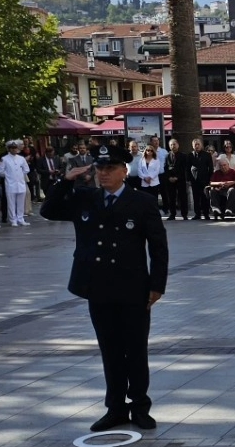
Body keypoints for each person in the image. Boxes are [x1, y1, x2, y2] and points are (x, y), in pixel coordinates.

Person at [40, 147, 168, 432]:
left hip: (133, 287)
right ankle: (115, 408)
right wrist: (66, 180)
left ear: (125, 171)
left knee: (135, 349)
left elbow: (159, 247)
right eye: (100, 169)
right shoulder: (85, 198)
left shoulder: (142, 202)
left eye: (110, 168)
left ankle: (140, 407)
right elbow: (48, 210)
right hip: (98, 286)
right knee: (109, 350)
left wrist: (157, 285)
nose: (104, 174)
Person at [1, 141, 32, 226]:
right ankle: (13, 219)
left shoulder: (21, 158)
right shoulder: (4, 159)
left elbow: (26, 169)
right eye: (12, 148)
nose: (14, 150)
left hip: (20, 182)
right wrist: (8, 175)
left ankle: (20, 218)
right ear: (9, 149)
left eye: (15, 148)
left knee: (21, 202)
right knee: (11, 202)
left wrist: (21, 174)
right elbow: (1, 171)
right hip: (10, 183)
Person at [188, 137, 213, 220]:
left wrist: (210, 179)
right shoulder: (190, 155)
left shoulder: (207, 155)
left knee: (205, 197)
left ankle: (206, 214)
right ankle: (197, 214)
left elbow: (211, 168)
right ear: (193, 146)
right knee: (196, 197)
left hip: (205, 179)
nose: (197, 146)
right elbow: (188, 168)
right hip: (194, 180)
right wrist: (189, 179)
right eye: (195, 145)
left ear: (201, 145)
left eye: (198, 144)